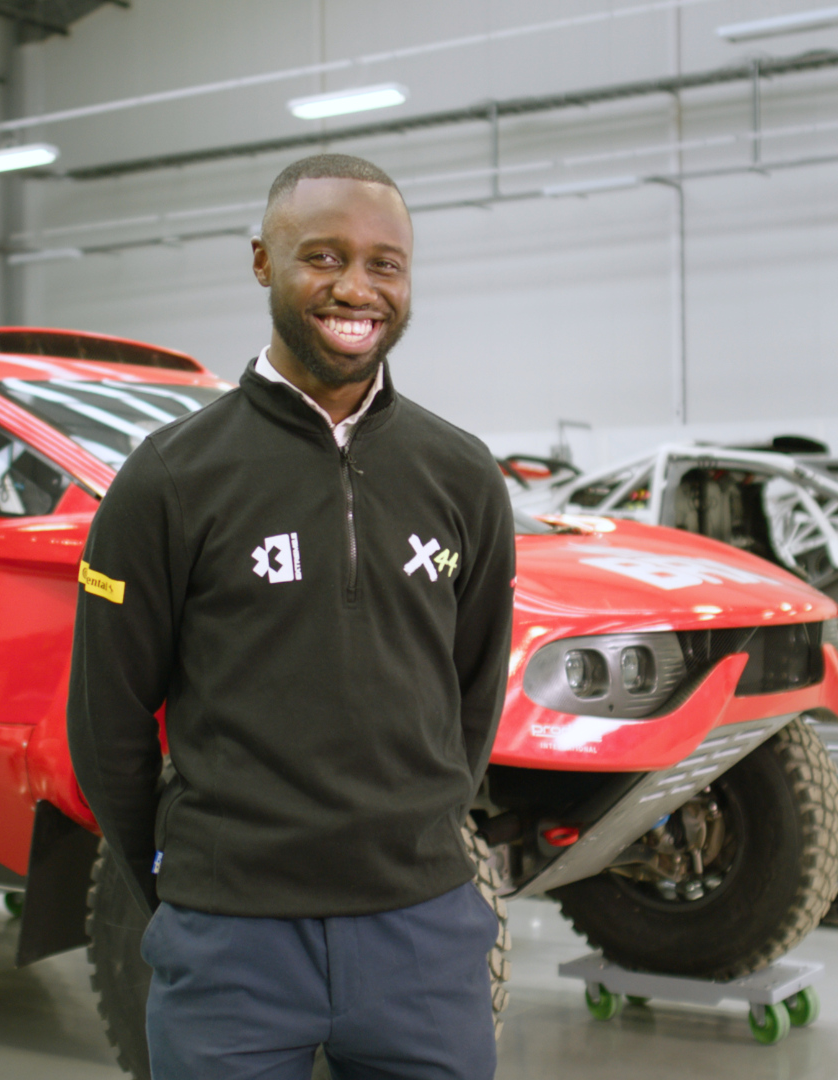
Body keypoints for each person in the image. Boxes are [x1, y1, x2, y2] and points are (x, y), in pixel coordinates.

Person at [66, 153, 517, 1080]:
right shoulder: (170, 479)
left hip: (423, 936)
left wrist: (415, 835)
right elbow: (106, 719)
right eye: (324, 256)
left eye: (384, 263)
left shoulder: (462, 475)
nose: (357, 287)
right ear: (264, 263)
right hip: (230, 943)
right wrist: (187, 885)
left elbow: (470, 695)